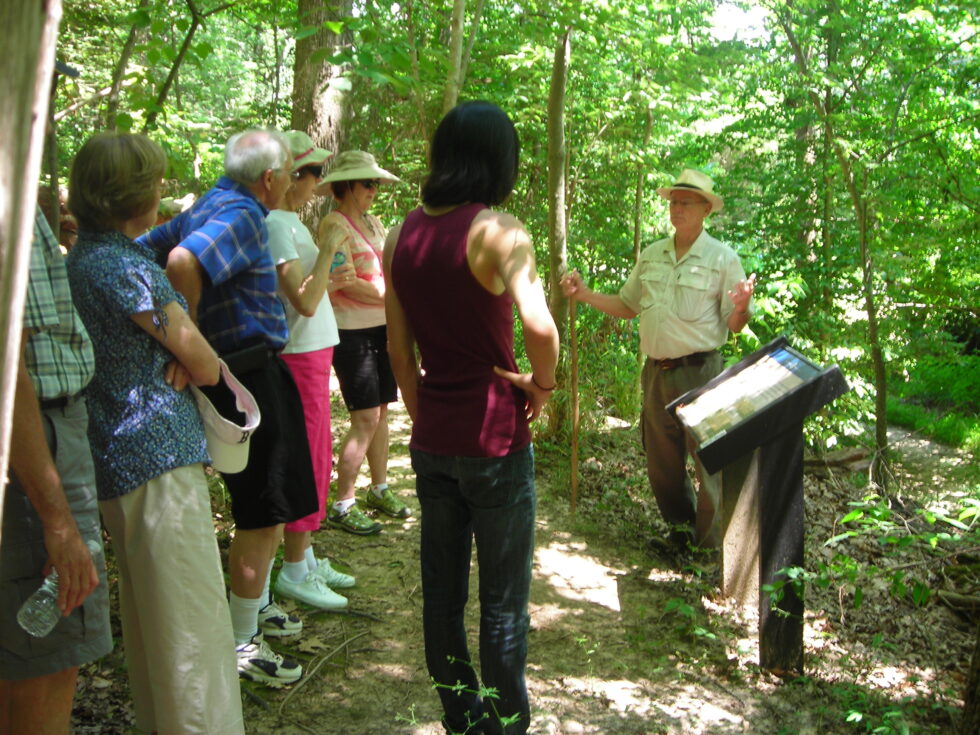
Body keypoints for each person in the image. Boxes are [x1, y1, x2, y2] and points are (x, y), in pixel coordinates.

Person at [384, 101, 560, 735]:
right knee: (504, 604)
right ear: (497, 162)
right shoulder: (500, 232)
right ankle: (508, 725)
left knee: (443, 598)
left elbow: (398, 351)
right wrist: (543, 385)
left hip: (434, 438)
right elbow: (540, 327)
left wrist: (423, 412)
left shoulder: (400, 234)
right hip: (496, 441)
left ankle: (465, 719)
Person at [65, 132, 245, 734]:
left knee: (155, 630)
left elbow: (184, 346)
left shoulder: (85, 259)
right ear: (127, 195)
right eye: (153, 182)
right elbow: (198, 358)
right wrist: (195, 353)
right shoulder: (119, 267)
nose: (161, 190)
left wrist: (184, 344)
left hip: (120, 461)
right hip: (156, 464)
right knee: (191, 631)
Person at [139, 129, 313, 687]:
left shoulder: (211, 202)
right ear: (269, 178)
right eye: (287, 171)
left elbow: (144, 248)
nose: (289, 182)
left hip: (249, 368)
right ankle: (241, 641)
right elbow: (183, 262)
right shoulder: (241, 214)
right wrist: (183, 337)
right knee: (263, 509)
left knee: (271, 498)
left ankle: (254, 607)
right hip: (248, 371)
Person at [562, 168, 756, 554]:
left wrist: (742, 307)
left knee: (708, 462)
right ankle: (680, 536)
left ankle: (707, 548)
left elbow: (734, 325)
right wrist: (584, 295)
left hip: (701, 374)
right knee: (661, 464)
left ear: (705, 209)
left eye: (686, 202)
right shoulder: (652, 255)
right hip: (655, 373)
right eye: (673, 201)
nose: (677, 207)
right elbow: (627, 306)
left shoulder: (722, 258)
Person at [0, 208, 112, 735]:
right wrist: (58, 520)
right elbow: (6, 363)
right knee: (43, 656)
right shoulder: (5, 194)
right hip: (34, 435)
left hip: (42, 429)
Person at [266, 130, 356, 614]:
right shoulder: (279, 224)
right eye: (315, 173)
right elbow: (299, 300)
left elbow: (307, 288)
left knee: (317, 451)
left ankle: (305, 557)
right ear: (290, 177)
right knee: (306, 457)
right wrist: (326, 250)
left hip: (313, 351)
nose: (319, 183)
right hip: (298, 354)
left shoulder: (289, 223)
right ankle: (294, 567)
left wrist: (331, 272)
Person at [316, 150, 408, 535]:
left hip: (381, 328)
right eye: (367, 183)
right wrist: (394, 298)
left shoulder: (373, 222)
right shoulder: (333, 225)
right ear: (346, 186)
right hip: (353, 333)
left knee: (382, 411)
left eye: (376, 183)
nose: (374, 190)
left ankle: (379, 487)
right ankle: (343, 501)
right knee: (365, 417)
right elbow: (346, 281)